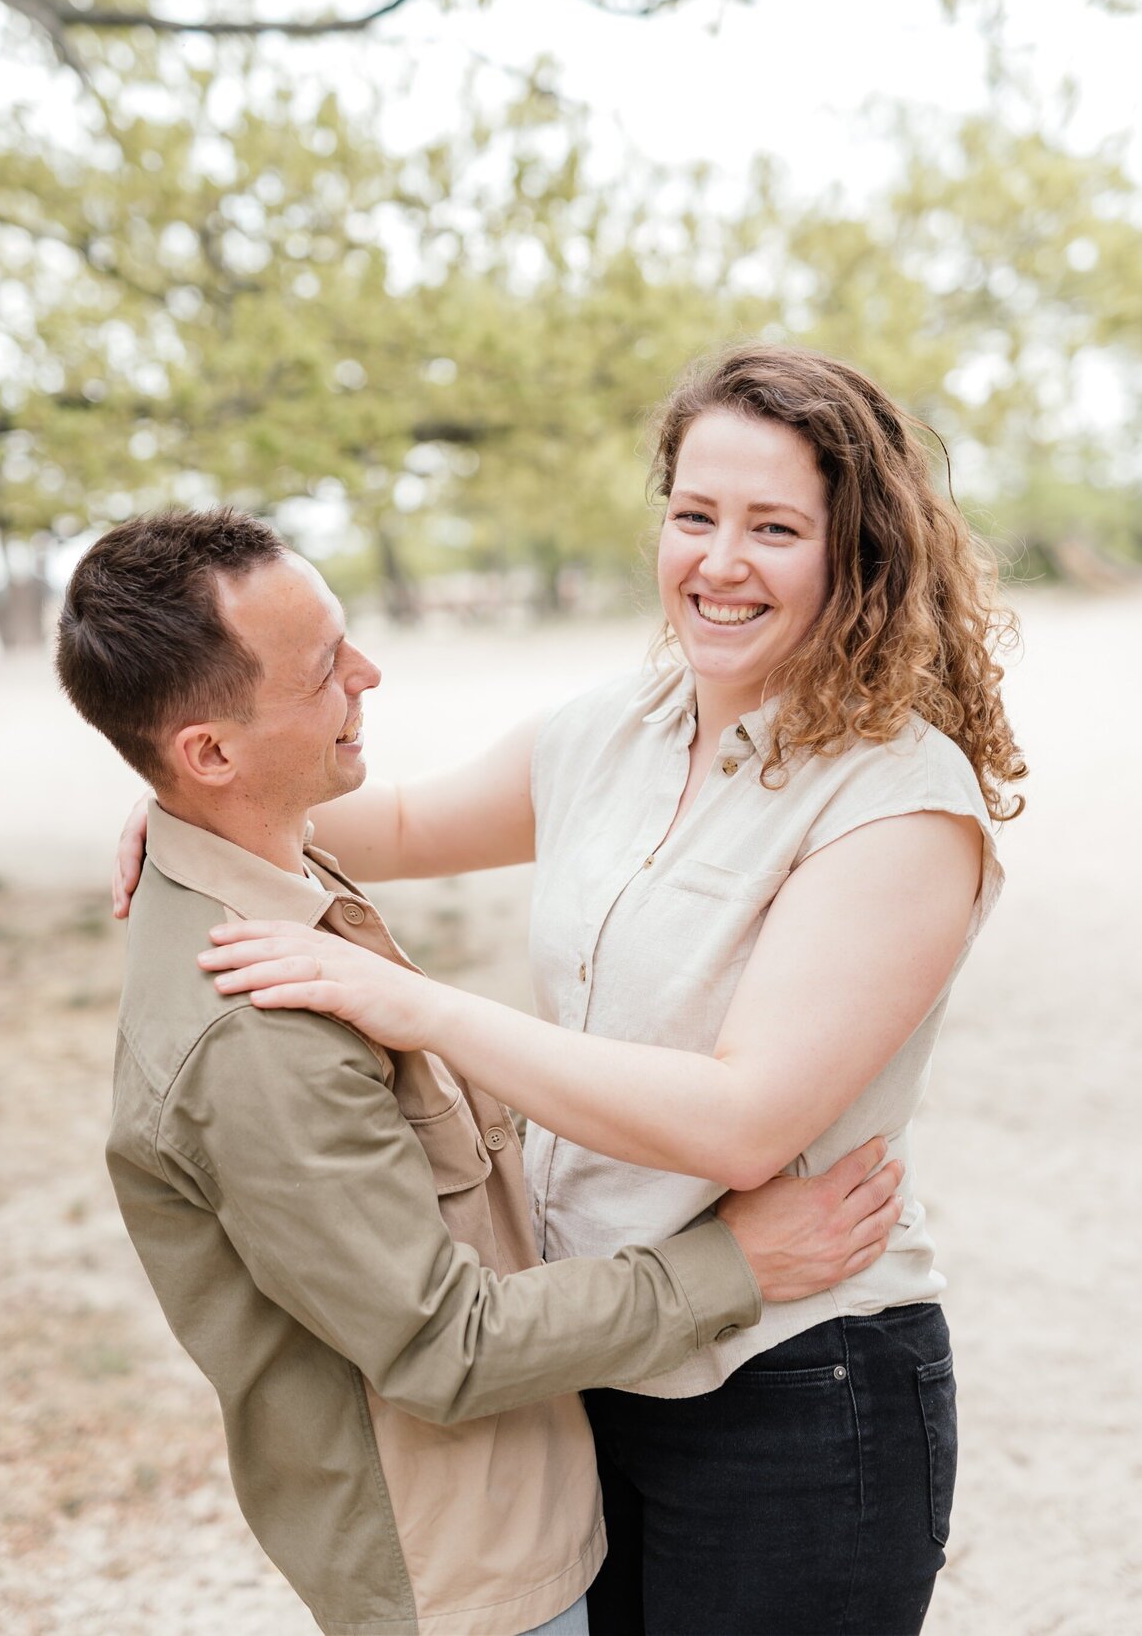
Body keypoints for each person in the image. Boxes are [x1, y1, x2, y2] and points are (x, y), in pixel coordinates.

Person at [179, 345, 1027, 1635]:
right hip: (593, 1356)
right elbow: (389, 822)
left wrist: (416, 1006)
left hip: (796, 1385)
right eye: (694, 514)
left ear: (860, 554)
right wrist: (197, 803)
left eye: (775, 528)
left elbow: (742, 1119)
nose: (719, 561)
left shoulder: (898, 802)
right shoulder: (618, 726)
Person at [62, 507, 904, 1636]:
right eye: (325, 672)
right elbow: (442, 1344)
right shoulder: (253, 1023)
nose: (369, 671)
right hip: (469, 1570)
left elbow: (378, 821)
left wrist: (182, 808)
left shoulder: (272, 858)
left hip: (541, 1498)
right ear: (211, 750)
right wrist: (735, 1262)